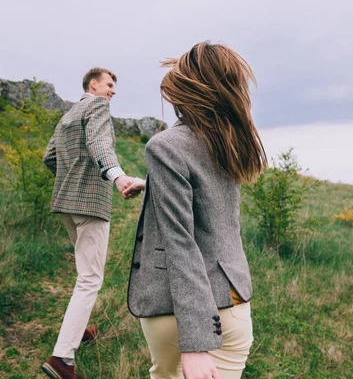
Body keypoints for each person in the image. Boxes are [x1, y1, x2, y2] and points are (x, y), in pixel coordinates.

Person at [124, 41, 268, 379]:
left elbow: (182, 244)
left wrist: (196, 344)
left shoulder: (166, 146)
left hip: (180, 314)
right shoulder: (231, 141)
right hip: (234, 307)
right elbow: (207, 193)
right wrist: (151, 183)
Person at [41, 67, 139, 379]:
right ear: (92, 84)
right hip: (91, 206)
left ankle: (77, 330)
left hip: (67, 204)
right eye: (109, 84)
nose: (112, 91)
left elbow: (49, 157)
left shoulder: (68, 115)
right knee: (90, 279)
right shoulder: (97, 106)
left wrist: (70, 183)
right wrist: (118, 177)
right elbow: (100, 143)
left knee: (84, 273)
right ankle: (62, 359)